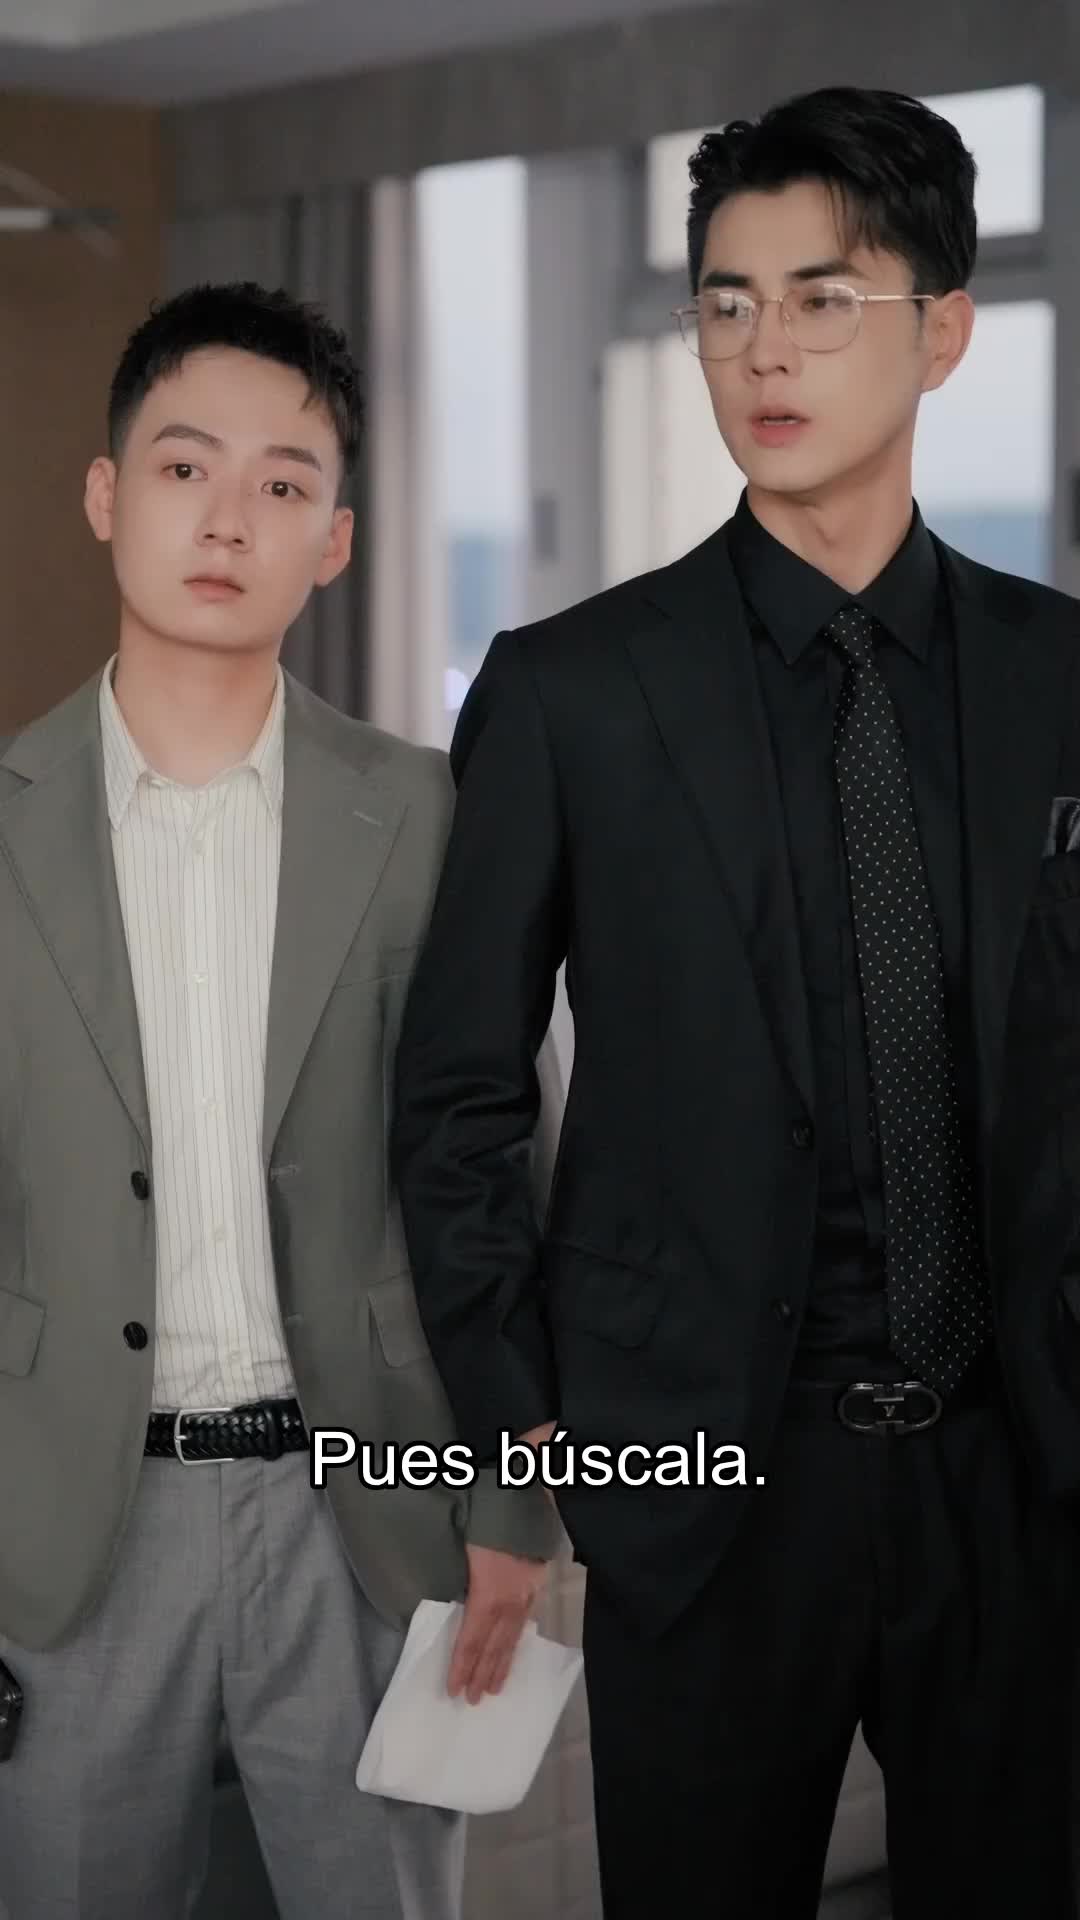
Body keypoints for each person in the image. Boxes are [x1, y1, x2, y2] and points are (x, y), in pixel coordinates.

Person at [390, 87, 1080, 1919]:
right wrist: (522, 1409)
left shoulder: (1061, 678)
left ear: (943, 330)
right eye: (725, 300)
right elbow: (457, 1088)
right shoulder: (570, 692)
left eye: (823, 298)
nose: (763, 347)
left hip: (1012, 1476)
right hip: (707, 1482)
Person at [0, 281, 559, 1920]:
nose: (228, 519)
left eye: (284, 483)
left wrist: (515, 1506)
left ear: (336, 541)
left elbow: (507, 1178)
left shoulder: (431, 816)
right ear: (105, 496)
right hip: (63, 1531)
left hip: (370, 1512)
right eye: (184, 469)